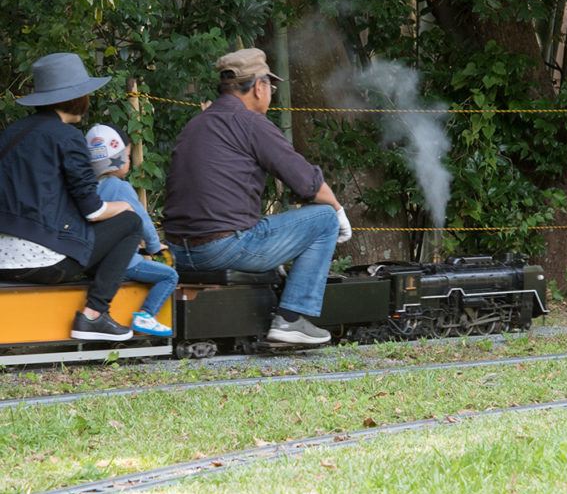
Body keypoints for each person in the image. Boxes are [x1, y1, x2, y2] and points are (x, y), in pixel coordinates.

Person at [163, 48, 352, 346]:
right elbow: (307, 183)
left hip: (177, 251)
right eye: (271, 87)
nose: (271, 94)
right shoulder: (250, 122)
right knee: (324, 218)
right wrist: (339, 212)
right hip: (221, 248)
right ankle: (291, 319)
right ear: (259, 86)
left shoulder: (195, 124)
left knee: (265, 222)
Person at [0, 52, 142, 341]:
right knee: (129, 222)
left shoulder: (11, 133)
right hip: (44, 263)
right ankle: (94, 314)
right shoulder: (68, 137)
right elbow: (93, 211)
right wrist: (124, 205)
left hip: (3, 260)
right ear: (79, 97)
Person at [85, 123, 178, 337]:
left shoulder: (87, 186)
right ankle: (146, 315)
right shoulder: (121, 187)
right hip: (122, 262)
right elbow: (142, 221)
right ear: (116, 159)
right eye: (126, 157)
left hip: (92, 260)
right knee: (170, 276)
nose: (128, 162)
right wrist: (154, 246)